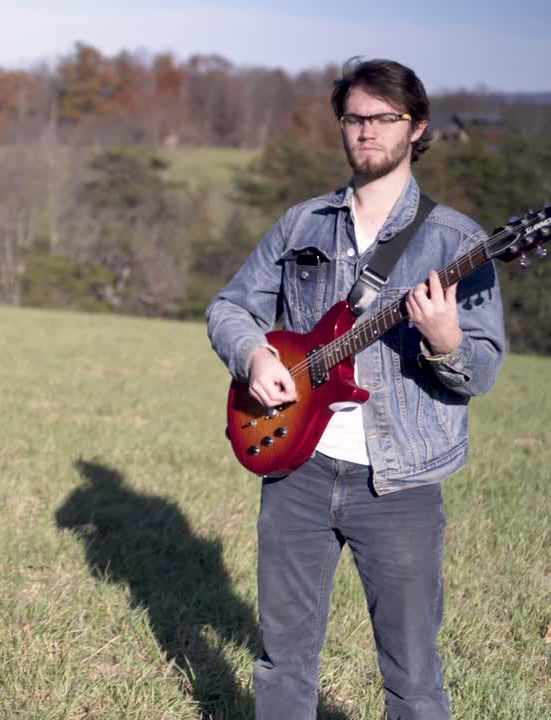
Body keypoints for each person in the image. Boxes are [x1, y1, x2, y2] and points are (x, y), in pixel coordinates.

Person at [206, 57, 505, 719]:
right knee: (283, 663)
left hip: (400, 485)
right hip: (298, 470)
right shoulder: (303, 224)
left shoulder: (459, 242)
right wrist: (254, 356)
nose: (367, 130)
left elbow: (482, 370)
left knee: (414, 677)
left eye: (384, 118)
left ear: (417, 127)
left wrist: (447, 341)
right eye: (353, 118)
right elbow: (230, 308)